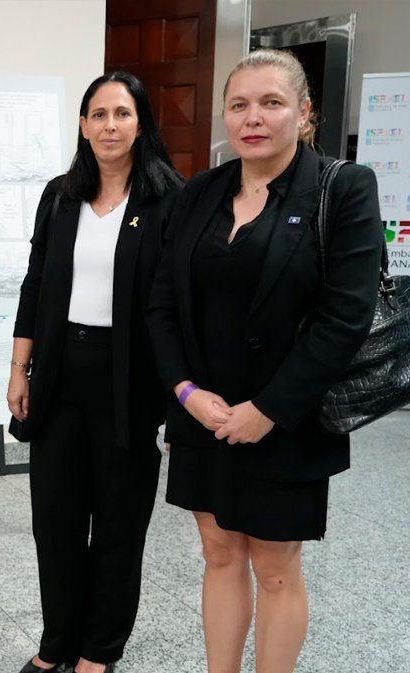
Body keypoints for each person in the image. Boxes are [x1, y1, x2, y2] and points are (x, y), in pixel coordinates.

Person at [147, 49, 383, 673]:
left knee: (275, 568)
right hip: (204, 411)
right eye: (239, 105)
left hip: (288, 416)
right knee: (219, 552)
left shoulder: (342, 187)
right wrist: (184, 392)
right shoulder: (199, 192)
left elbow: (345, 319)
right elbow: (162, 304)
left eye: (271, 103)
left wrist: (270, 410)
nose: (253, 118)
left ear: (304, 112)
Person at [7, 71, 182, 673]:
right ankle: (57, 642)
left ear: (141, 123)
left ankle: (98, 650)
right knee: (54, 519)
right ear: (82, 125)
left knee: (118, 523)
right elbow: (34, 285)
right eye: (99, 114)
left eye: (122, 114)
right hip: (59, 373)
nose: (110, 125)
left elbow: (180, 304)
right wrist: (19, 369)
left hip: (129, 378)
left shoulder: (168, 199)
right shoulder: (60, 195)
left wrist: (179, 391)